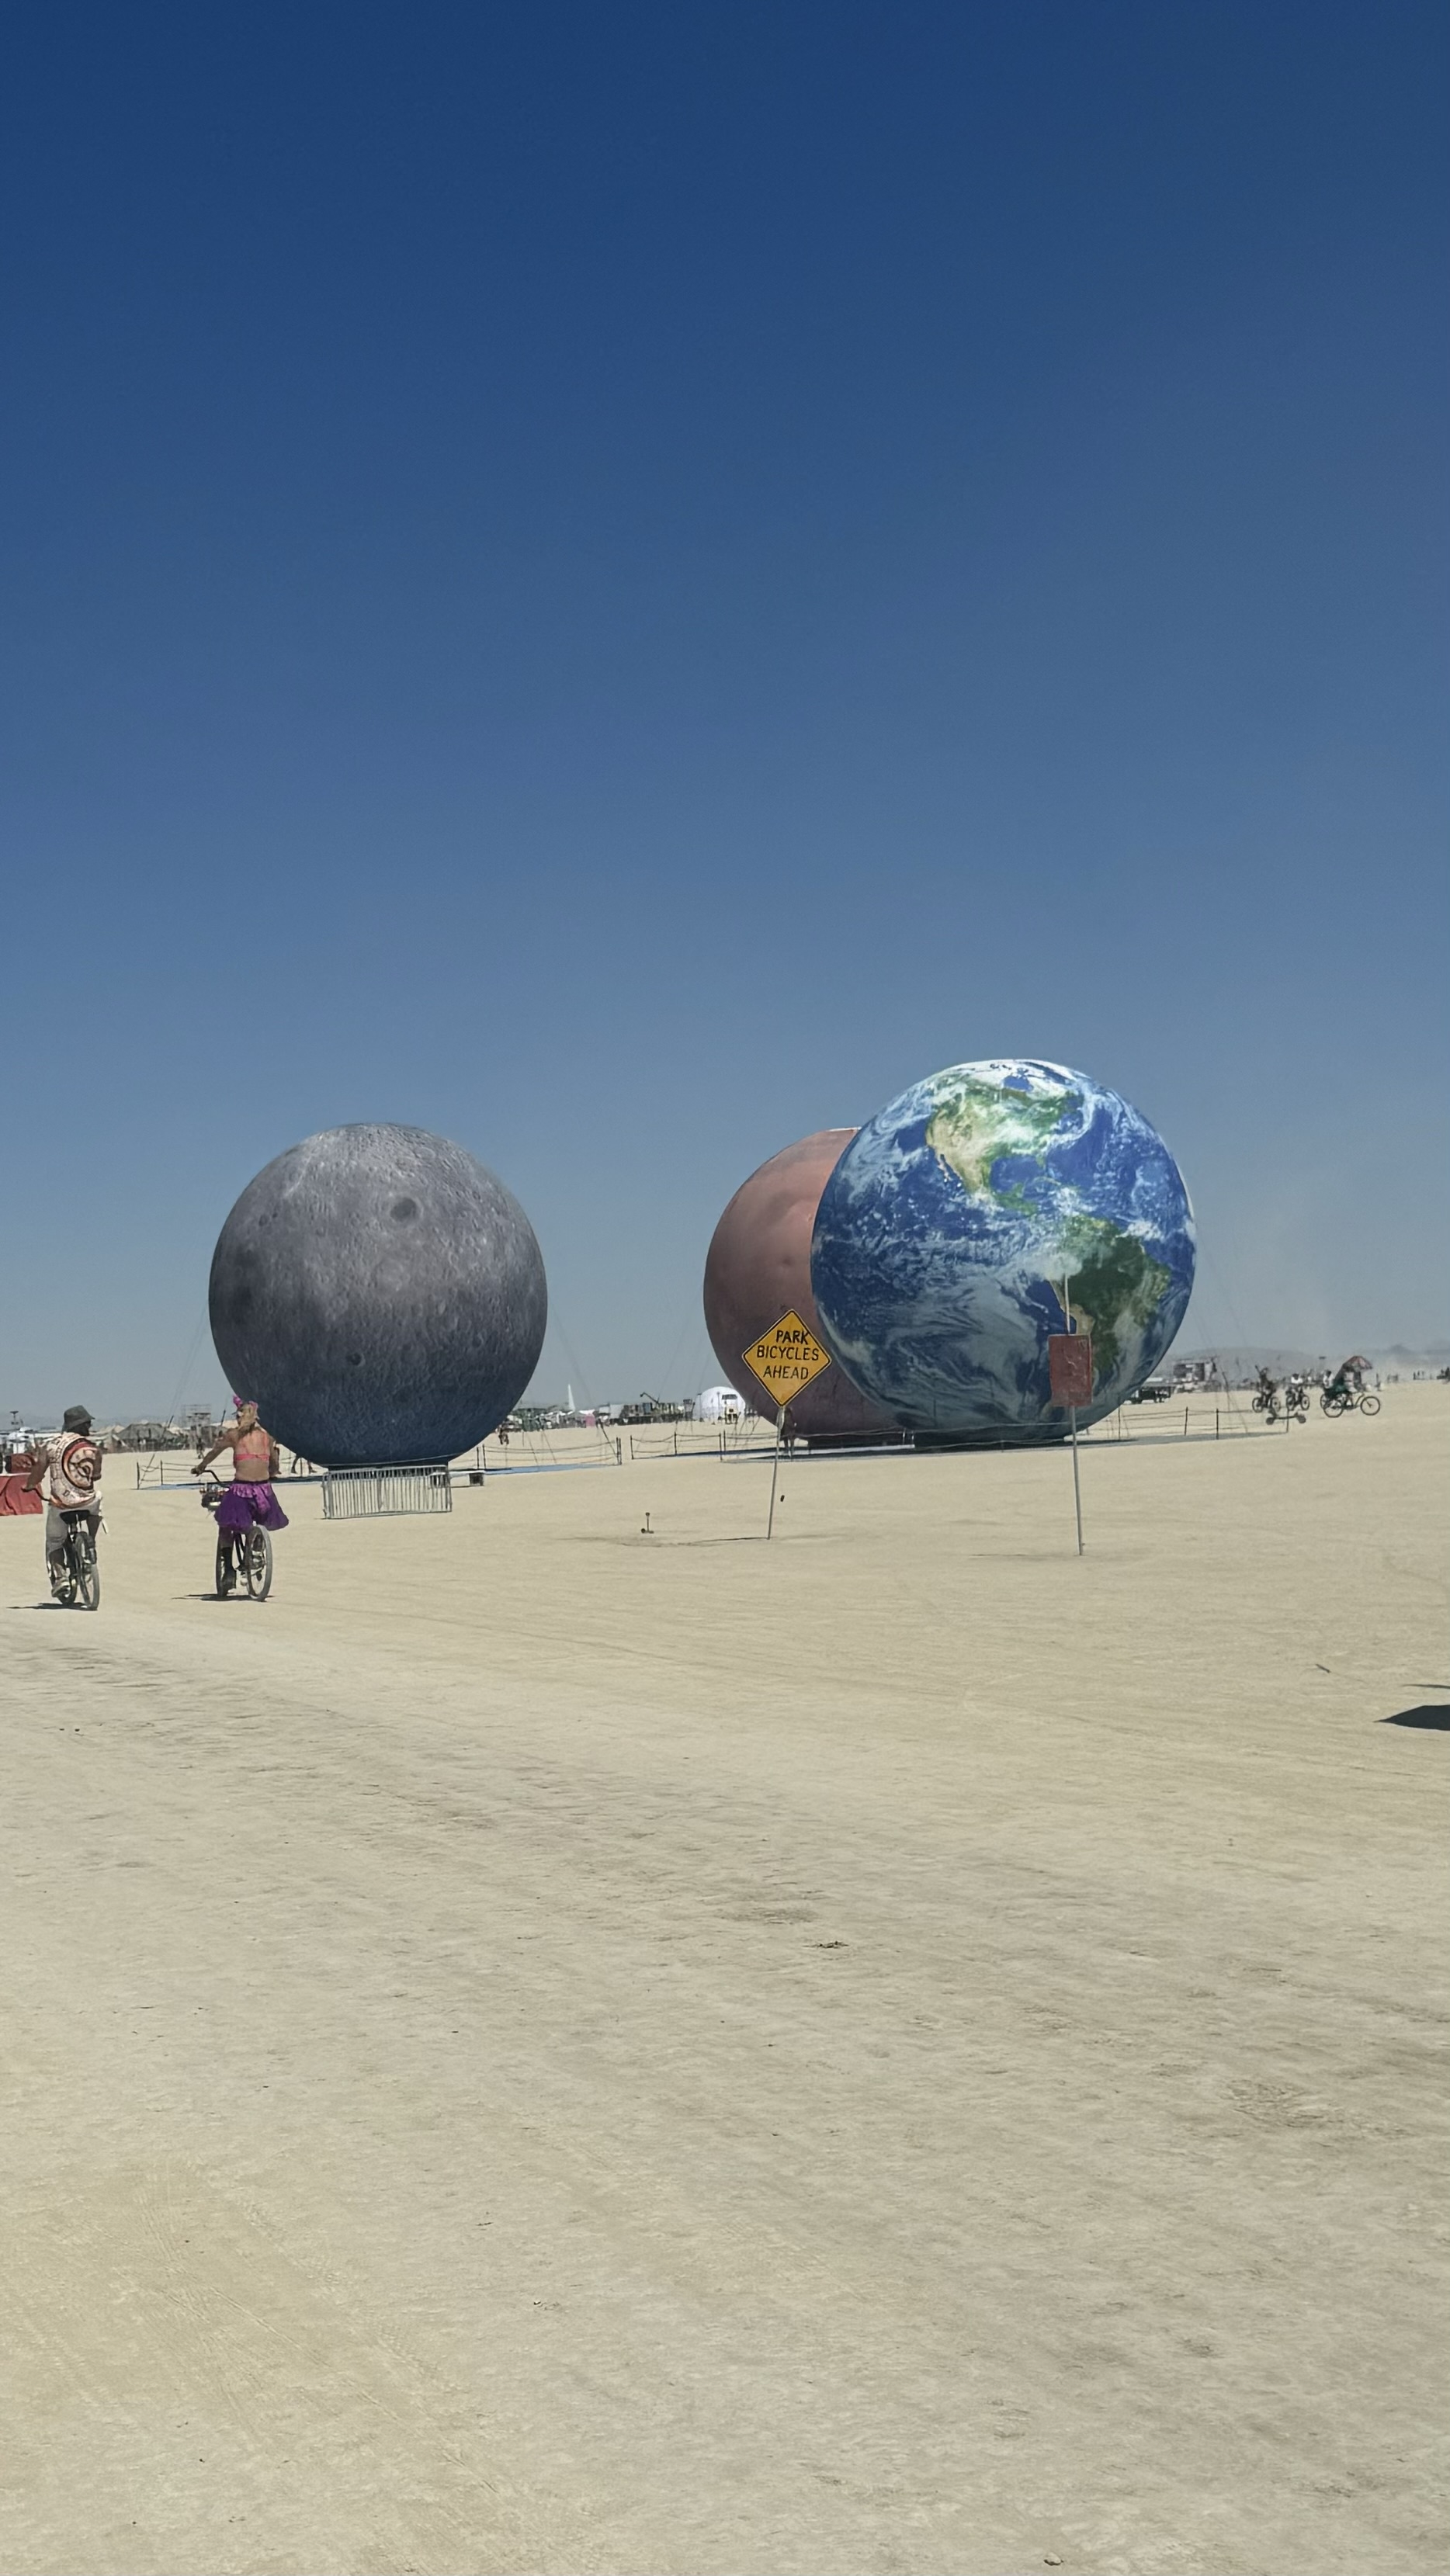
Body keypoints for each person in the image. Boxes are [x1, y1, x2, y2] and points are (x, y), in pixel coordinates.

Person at [193, 1398, 289, 1589]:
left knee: (226, 1525)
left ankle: (228, 1569)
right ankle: (257, 1551)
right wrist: (272, 1472)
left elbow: (214, 1452)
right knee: (262, 1521)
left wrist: (201, 1467)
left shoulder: (234, 1436)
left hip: (241, 1490)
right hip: (264, 1490)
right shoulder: (266, 1437)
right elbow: (274, 1462)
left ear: (240, 1417)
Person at [23, 1404, 103, 1593]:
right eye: (88, 1424)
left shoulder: (50, 1445)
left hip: (62, 1504)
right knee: (97, 1502)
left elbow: (38, 1472)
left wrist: (28, 1486)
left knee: (54, 1541)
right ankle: (90, 1541)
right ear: (81, 1425)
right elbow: (97, 1476)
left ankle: (61, 1578)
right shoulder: (93, 1448)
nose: (89, 1427)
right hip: (87, 1501)